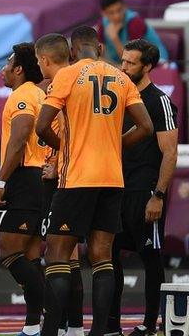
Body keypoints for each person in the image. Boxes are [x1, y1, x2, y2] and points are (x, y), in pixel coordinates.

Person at [35, 26, 154, 336]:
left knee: (58, 255)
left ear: (73, 52)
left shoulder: (68, 75)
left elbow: (42, 125)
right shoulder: (122, 77)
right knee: (102, 258)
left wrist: (65, 148)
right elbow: (145, 127)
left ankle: (49, 331)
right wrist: (117, 145)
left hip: (77, 177)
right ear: (100, 47)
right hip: (112, 179)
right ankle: (99, 332)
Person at [107, 39, 178, 336]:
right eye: (122, 61)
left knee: (150, 259)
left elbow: (170, 152)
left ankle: (150, 325)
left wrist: (158, 196)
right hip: (114, 189)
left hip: (144, 191)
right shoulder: (117, 96)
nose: (123, 67)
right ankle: (110, 325)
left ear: (147, 66)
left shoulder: (158, 100)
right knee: (109, 258)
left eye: (130, 63)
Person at [0, 42, 45, 336]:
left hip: (24, 178)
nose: (3, 69)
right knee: (30, 256)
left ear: (19, 69)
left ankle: (59, 311)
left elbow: (18, 142)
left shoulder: (22, 96)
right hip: (40, 178)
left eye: (7, 64)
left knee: (9, 252)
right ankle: (33, 327)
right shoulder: (41, 94)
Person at [35, 33, 85, 336]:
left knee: (58, 253)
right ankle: (73, 326)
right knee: (70, 255)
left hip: (62, 176)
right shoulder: (80, 82)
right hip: (75, 173)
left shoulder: (61, 84)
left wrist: (61, 157)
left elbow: (47, 129)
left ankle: (55, 327)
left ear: (44, 60)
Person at [96, 0, 169, 65]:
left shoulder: (135, 22)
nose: (116, 16)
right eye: (111, 13)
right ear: (103, 13)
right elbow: (99, 55)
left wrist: (115, 39)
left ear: (124, 6)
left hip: (156, 64)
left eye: (119, 10)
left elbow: (131, 59)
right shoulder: (102, 24)